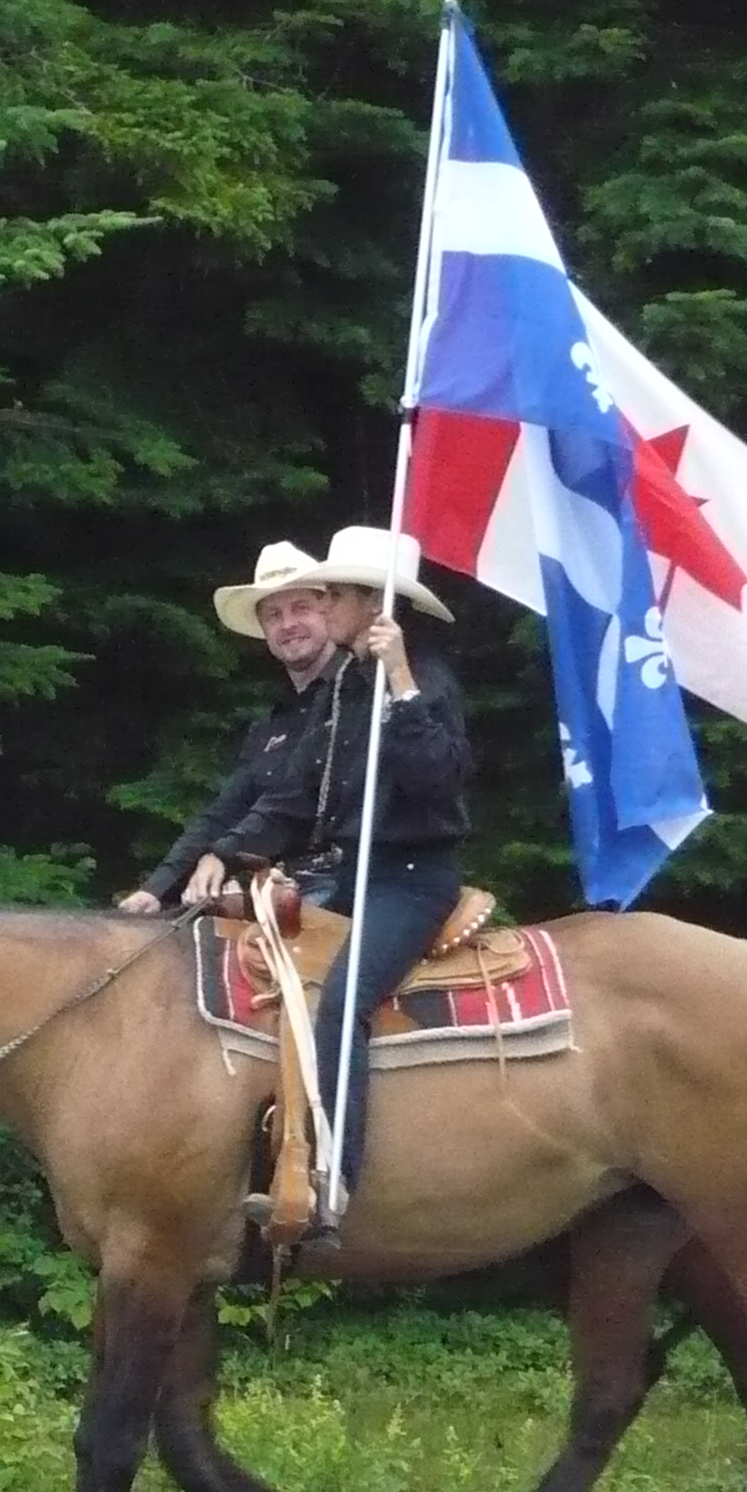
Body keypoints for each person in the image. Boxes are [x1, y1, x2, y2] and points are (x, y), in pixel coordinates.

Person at [143, 526, 472, 1244]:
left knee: (343, 1004)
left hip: (411, 879)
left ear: (368, 604)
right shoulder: (344, 688)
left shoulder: (425, 674)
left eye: (337, 596)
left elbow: (439, 779)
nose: (325, 607)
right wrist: (226, 855)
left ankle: (328, 1183)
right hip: (348, 875)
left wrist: (404, 685)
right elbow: (290, 796)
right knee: (262, 983)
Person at [117, 530, 457, 916]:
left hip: (364, 880)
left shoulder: (390, 680)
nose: (288, 624)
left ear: (330, 609)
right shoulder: (282, 719)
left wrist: (225, 855)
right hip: (289, 880)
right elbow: (237, 806)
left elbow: (434, 781)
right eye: (274, 615)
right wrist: (162, 884)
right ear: (262, 630)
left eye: (303, 607)